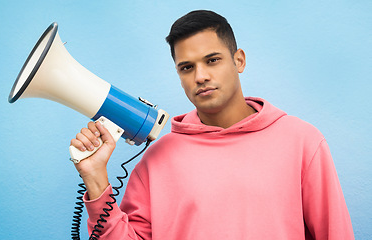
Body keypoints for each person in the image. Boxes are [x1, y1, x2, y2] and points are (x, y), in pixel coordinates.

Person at [71, 10, 354, 239]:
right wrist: (96, 179)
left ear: (238, 60)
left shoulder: (302, 141)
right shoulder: (158, 158)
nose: (201, 76)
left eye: (212, 60)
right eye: (187, 67)